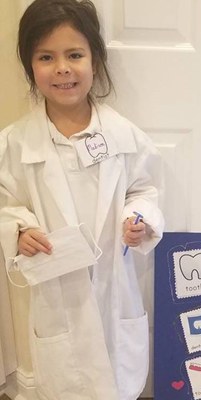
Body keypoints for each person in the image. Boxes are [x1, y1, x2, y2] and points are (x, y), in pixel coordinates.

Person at [0, 0, 164, 399]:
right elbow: (5, 204)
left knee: (116, 376)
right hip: (53, 292)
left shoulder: (126, 138)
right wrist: (19, 230)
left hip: (112, 286)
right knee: (58, 378)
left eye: (74, 54)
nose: (62, 69)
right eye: (46, 57)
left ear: (95, 60)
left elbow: (144, 190)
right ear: (29, 66)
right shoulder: (14, 144)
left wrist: (137, 217)